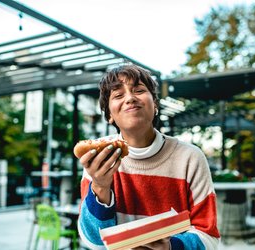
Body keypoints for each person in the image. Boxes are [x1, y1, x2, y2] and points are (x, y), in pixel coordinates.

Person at [77, 64, 220, 249]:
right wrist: (100, 186)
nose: (130, 98)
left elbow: (209, 237)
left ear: (155, 105)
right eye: (118, 95)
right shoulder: (99, 158)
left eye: (139, 90)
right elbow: (93, 241)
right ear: (109, 115)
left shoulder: (190, 158)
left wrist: (170, 247)